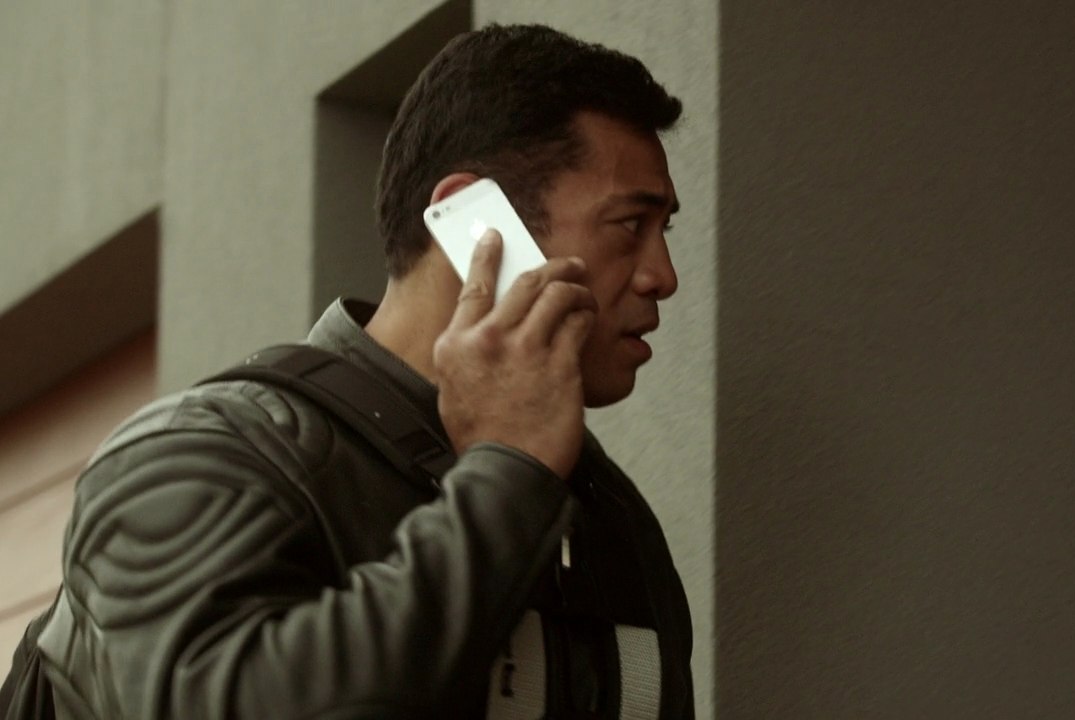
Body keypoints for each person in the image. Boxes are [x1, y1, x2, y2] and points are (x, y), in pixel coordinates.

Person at [36, 24, 693, 718]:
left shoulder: (607, 515)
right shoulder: (199, 455)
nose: (663, 275)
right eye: (630, 226)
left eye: (665, 232)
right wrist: (505, 478)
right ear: (478, 225)